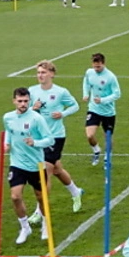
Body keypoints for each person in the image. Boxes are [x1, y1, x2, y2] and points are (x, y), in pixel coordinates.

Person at [29, 60, 84, 214]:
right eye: (38, 72)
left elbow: (75, 105)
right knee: (57, 169)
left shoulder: (60, 92)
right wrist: (32, 108)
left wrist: (62, 113)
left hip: (55, 137)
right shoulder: (32, 91)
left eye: (43, 72)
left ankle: (40, 211)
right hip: (38, 138)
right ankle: (76, 192)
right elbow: (24, 111)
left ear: (52, 74)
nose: (40, 75)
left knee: (45, 171)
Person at [3, 87, 54, 245]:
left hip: (36, 165)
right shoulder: (8, 117)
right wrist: (7, 143)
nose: (23, 104)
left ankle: (45, 224)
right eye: (20, 101)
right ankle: (25, 227)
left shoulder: (36, 119)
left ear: (29, 101)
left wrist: (35, 143)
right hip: (17, 163)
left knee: (41, 197)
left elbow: (50, 139)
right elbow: (9, 131)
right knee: (15, 196)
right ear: (14, 101)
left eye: (25, 101)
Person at [83, 53, 121, 167]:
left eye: (99, 66)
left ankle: (107, 157)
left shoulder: (110, 77)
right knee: (89, 135)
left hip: (108, 112)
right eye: (95, 66)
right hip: (94, 109)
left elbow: (117, 94)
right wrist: (86, 94)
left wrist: (103, 100)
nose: (96, 68)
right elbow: (86, 83)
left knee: (108, 137)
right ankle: (96, 150)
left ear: (103, 64)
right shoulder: (89, 72)